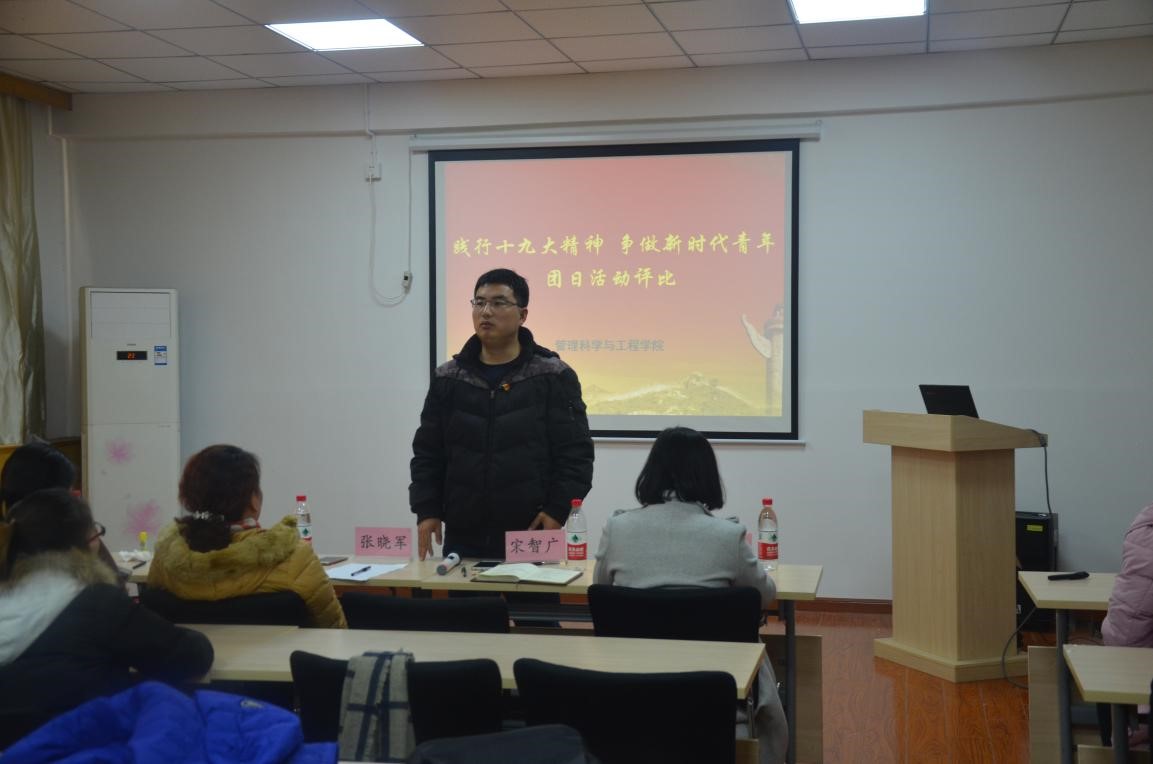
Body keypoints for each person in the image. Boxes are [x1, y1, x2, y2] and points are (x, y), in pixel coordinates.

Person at [593, 426, 787, 764]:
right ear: (708, 475)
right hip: (715, 691)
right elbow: (765, 597)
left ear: (651, 472)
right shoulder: (728, 535)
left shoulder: (617, 528)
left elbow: (601, 589)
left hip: (630, 687)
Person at [0, 489, 213, 744]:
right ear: (88, 543)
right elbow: (191, 657)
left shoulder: (11, 601)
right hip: (81, 749)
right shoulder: (96, 602)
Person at [410, 268, 595, 560]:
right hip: (464, 530)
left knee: (531, 594)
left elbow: (576, 453)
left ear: (522, 315)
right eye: (479, 302)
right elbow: (428, 452)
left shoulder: (552, 375)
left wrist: (557, 510)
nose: (486, 311)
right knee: (462, 592)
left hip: (531, 528)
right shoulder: (449, 377)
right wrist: (427, 509)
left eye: (498, 303)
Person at [147, 444, 347, 628]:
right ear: (253, 499)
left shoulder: (166, 558)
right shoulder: (295, 557)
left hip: (193, 656)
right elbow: (334, 630)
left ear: (188, 497)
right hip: (279, 656)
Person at [0, 440, 119, 582]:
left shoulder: (16, 534)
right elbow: (112, 585)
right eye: (69, 493)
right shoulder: (63, 535)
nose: (73, 500)